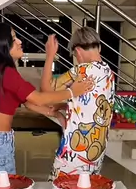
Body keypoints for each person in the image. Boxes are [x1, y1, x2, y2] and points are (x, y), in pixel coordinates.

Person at [0, 22, 95, 177]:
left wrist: (54, 112)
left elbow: (28, 103)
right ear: (2, 45)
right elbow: (38, 98)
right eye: (13, 39)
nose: (19, 41)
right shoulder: (6, 72)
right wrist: (72, 91)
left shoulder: (0, 71)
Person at [41, 25, 115, 179]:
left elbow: (46, 90)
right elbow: (91, 104)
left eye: (74, 54)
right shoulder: (109, 73)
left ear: (78, 51)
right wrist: (66, 105)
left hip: (73, 154)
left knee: (59, 188)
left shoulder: (81, 71)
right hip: (96, 154)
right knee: (85, 188)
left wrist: (49, 56)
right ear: (99, 48)